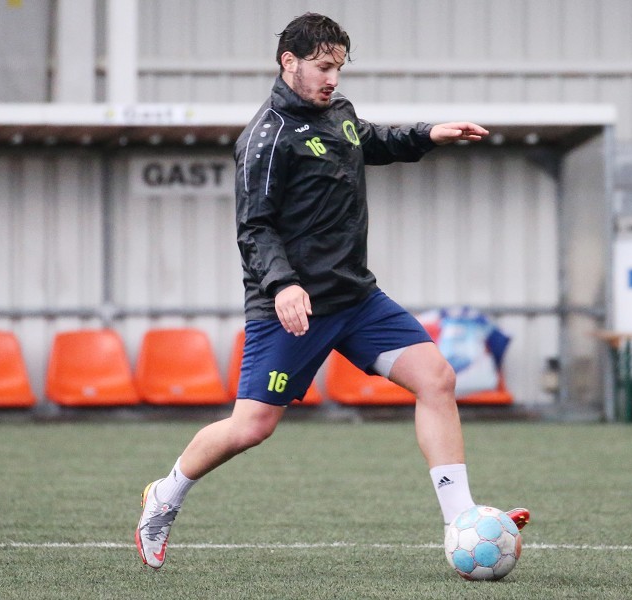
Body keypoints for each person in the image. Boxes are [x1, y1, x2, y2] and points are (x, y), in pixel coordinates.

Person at [136, 12, 529, 570]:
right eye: (323, 67)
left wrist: (428, 134)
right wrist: (283, 285)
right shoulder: (265, 138)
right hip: (291, 307)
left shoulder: (337, 112)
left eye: (338, 68)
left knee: (436, 379)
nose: (333, 79)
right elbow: (254, 228)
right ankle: (164, 495)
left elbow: (370, 141)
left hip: (355, 299)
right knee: (251, 428)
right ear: (288, 62)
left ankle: (460, 518)